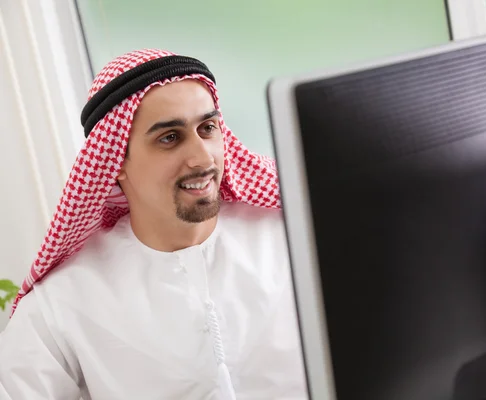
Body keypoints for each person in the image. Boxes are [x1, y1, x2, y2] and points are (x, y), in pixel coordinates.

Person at [0, 49, 307, 400]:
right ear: (114, 162)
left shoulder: (294, 239)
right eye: (170, 138)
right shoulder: (64, 301)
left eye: (207, 128)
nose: (203, 157)